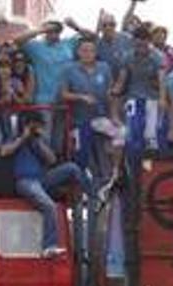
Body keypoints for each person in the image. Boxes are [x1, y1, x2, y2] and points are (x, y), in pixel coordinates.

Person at [0, 112, 95, 257]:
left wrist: (37, 142)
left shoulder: (39, 140)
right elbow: (4, 152)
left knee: (72, 168)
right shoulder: (16, 137)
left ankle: (91, 196)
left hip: (42, 179)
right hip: (26, 181)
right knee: (50, 206)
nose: (36, 128)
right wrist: (23, 138)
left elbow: (51, 160)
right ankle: (49, 246)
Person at [15, 20, 77, 150]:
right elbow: (17, 40)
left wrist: (75, 26)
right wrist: (41, 29)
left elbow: (91, 37)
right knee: (44, 139)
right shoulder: (36, 47)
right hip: (44, 102)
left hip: (63, 100)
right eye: (50, 30)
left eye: (56, 30)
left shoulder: (68, 44)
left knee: (59, 140)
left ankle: (56, 167)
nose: (53, 33)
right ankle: (43, 168)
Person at [61, 38, 116, 185]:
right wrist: (81, 97)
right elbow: (64, 94)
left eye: (91, 50)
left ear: (95, 52)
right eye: (84, 50)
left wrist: (114, 116)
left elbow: (110, 95)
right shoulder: (69, 69)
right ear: (78, 52)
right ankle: (86, 191)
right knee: (85, 160)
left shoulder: (104, 67)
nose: (87, 53)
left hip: (101, 119)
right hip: (80, 122)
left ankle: (110, 183)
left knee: (115, 143)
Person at [114, 26, 164, 151]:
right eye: (138, 44)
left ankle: (150, 164)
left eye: (144, 43)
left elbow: (162, 80)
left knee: (151, 135)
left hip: (152, 99)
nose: (141, 47)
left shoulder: (157, 57)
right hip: (133, 99)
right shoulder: (128, 57)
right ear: (133, 42)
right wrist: (114, 92)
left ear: (149, 42)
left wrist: (163, 99)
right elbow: (121, 79)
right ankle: (132, 163)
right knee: (133, 130)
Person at [0, 57, 27, 150]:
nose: (4, 70)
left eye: (7, 67)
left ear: (11, 69)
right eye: (1, 67)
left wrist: (13, 94)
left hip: (14, 119)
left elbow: (23, 102)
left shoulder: (17, 82)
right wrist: (1, 101)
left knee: (12, 143)